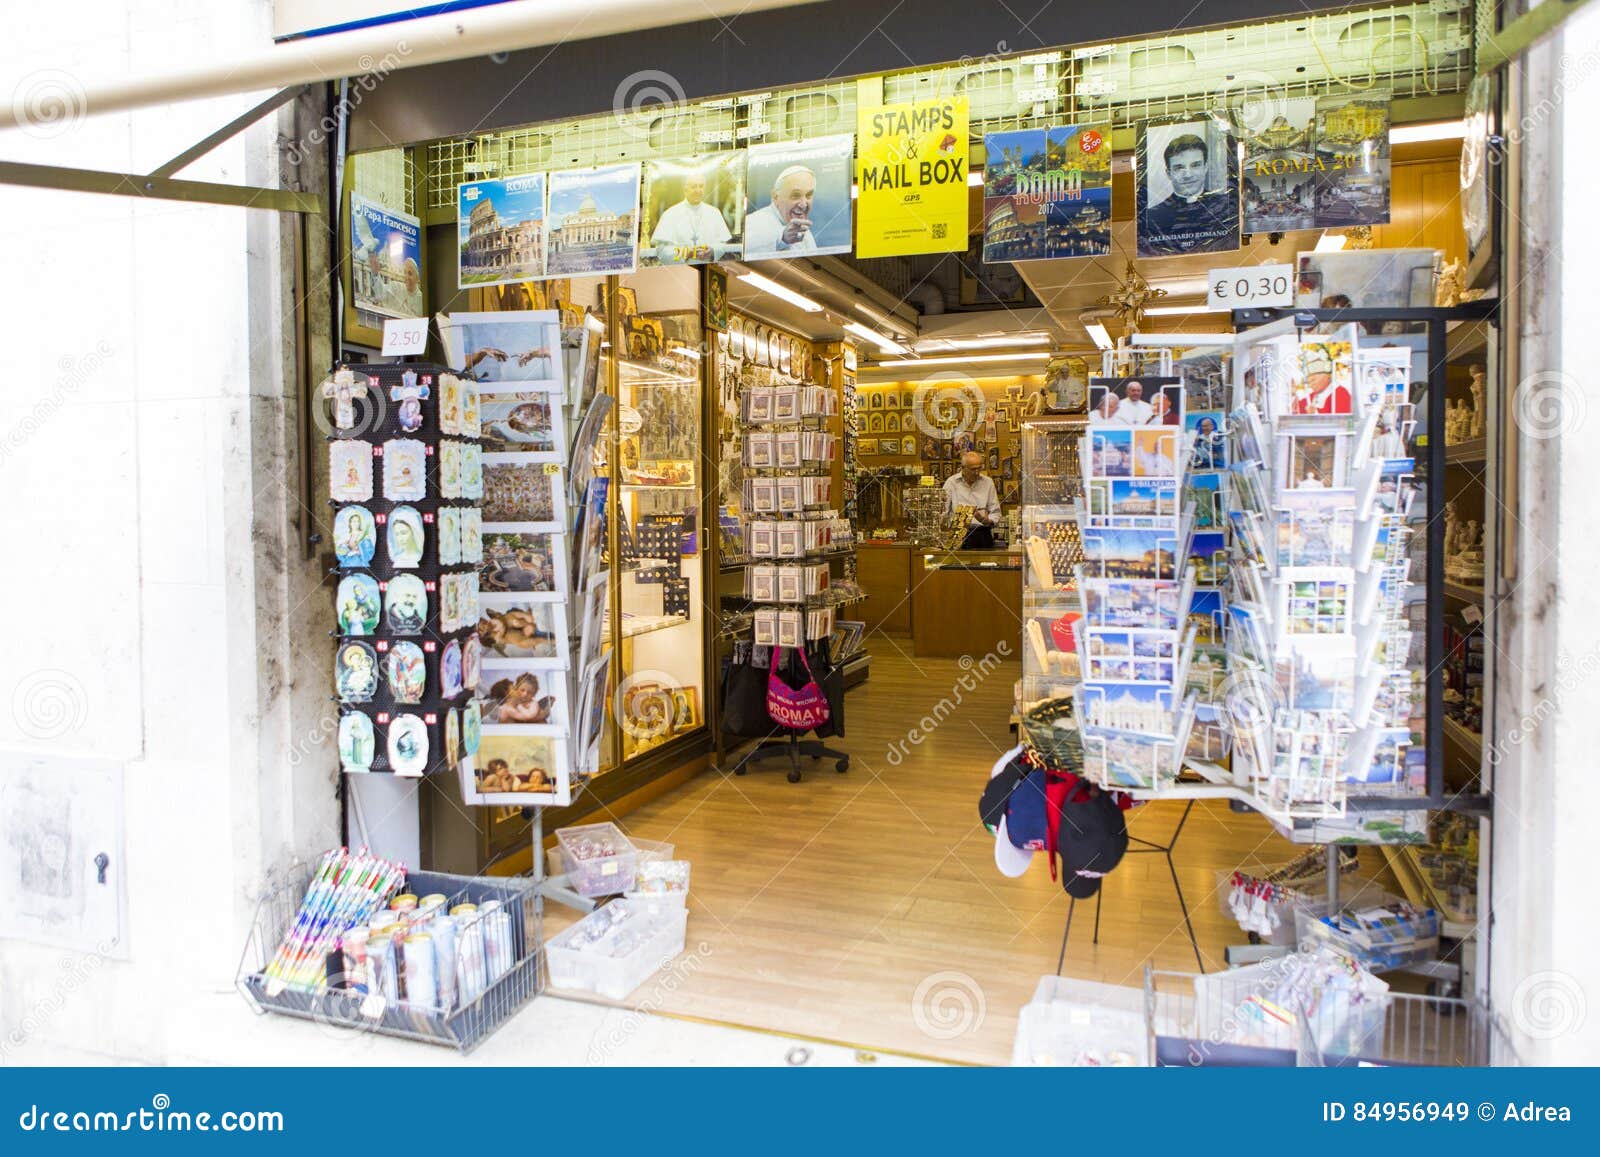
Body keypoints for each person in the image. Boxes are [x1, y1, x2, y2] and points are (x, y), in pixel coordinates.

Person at [1141, 132, 1236, 255]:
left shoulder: (1226, 207)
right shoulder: (1152, 216)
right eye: (1179, 168)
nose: (1188, 175)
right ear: (1169, 173)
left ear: (1205, 167)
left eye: (1195, 165)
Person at [650, 172, 734, 263]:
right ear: (685, 189)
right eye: (694, 187)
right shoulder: (670, 214)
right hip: (681, 268)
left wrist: (712, 250)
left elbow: (723, 244)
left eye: (701, 186)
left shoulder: (714, 213)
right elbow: (662, 251)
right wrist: (686, 253)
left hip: (707, 266)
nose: (698, 190)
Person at [745, 165, 819, 255]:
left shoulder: (802, 230)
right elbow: (745, 251)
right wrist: (782, 238)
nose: (803, 205)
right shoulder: (754, 222)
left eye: (808, 195)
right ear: (775, 197)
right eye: (795, 195)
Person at [943, 451, 1002, 549]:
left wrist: (988, 521)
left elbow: (996, 512)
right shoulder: (951, 483)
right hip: (957, 534)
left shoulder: (988, 482)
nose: (977, 473)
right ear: (962, 468)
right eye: (973, 469)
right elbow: (943, 511)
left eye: (979, 468)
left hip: (982, 534)